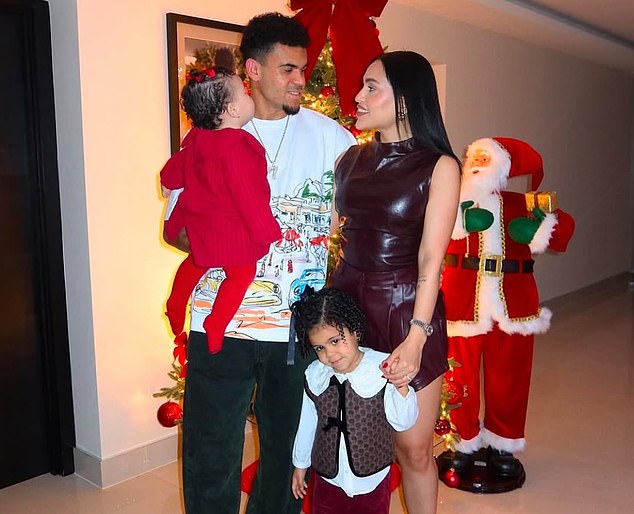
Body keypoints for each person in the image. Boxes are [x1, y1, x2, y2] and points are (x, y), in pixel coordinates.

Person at [162, 12, 356, 514]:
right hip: (219, 323)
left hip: (300, 326)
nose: (300, 80)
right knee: (211, 452)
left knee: (288, 455)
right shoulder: (205, 136)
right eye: (287, 69)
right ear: (251, 69)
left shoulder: (333, 139)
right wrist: (223, 240)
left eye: (304, 69)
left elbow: (360, 220)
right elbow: (178, 226)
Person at [329, 51, 461, 514]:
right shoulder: (348, 159)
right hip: (348, 312)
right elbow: (333, 236)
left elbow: (431, 257)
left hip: (407, 310)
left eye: (370, 87)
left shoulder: (439, 166)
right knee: (355, 446)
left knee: (413, 450)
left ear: (404, 99)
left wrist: (418, 336)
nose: (357, 97)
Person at [438, 137, 575, 489]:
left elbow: (562, 234)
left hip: (514, 303)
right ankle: (463, 440)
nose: (479, 163)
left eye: (488, 158)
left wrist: (543, 226)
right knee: (459, 378)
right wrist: (461, 219)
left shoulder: (521, 203)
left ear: (504, 168)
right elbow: (427, 233)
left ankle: (503, 445)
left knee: (510, 377)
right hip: (462, 300)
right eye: (476, 157)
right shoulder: (452, 199)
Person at [160, 67, 281, 354]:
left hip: (201, 225)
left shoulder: (197, 139)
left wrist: (167, 182)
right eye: (244, 92)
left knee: (197, 262)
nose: (249, 95)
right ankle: (217, 322)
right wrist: (265, 231)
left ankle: (176, 302)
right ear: (232, 109)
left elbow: (174, 169)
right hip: (231, 230)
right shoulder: (239, 146)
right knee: (241, 274)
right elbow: (250, 196)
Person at [290, 287, 418, 514]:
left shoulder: (382, 369)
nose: (330, 354)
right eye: (320, 347)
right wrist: (300, 465)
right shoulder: (315, 375)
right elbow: (307, 423)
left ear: (355, 331)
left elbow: (403, 422)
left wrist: (400, 387)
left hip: (372, 481)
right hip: (328, 480)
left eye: (336, 341)